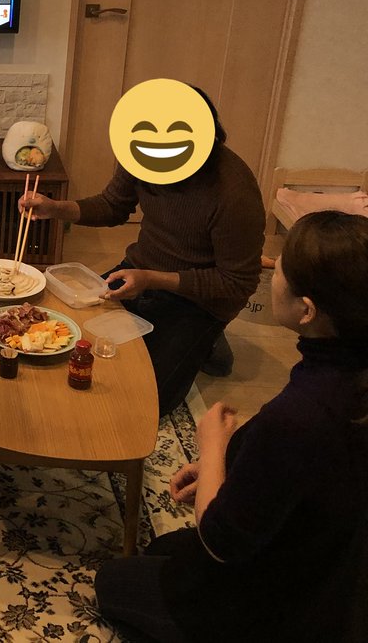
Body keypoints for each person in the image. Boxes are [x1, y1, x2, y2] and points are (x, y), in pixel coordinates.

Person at [94, 210, 368, 642]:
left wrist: (213, 447)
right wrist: (224, 470)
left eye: (281, 269)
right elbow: (304, 475)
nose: (271, 273)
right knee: (161, 550)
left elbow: (221, 540)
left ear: (307, 310)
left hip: (279, 597)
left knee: (112, 582)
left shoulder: (303, 414)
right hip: (320, 555)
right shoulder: (346, 374)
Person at [18, 89, 263, 415]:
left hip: (199, 299)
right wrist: (55, 208)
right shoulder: (141, 149)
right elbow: (113, 206)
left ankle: (208, 339)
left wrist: (152, 279)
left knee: (145, 399)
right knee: (59, 340)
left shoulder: (234, 191)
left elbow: (238, 282)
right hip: (139, 271)